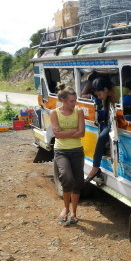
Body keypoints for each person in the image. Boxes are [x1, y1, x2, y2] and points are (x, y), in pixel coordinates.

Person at [85, 75, 131, 182]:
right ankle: (95, 167)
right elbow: (108, 115)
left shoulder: (123, 91)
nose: (100, 97)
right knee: (101, 137)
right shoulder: (104, 100)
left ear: (106, 89)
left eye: (100, 94)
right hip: (113, 121)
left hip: (126, 120)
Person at [50, 83, 85, 224]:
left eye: (75, 100)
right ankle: (65, 208)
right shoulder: (54, 113)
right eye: (72, 101)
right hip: (61, 151)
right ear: (63, 100)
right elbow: (57, 135)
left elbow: (82, 133)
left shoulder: (79, 112)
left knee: (78, 181)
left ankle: (74, 212)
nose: (74, 103)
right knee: (66, 177)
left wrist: (64, 133)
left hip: (77, 150)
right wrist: (73, 131)